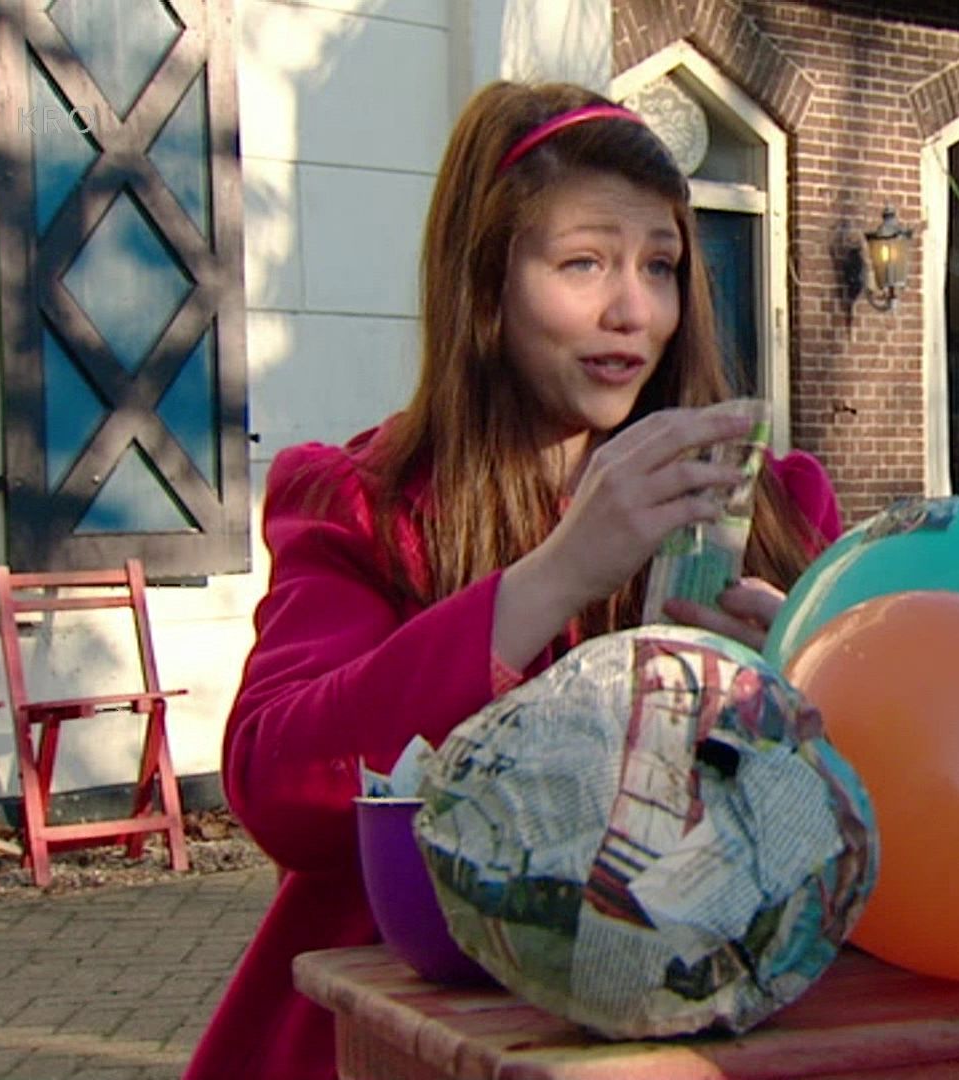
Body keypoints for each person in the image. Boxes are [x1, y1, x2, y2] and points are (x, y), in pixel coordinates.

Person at [186, 82, 842, 1080]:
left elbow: (879, 829)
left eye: (660, 266)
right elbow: (280, 788)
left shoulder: (778, 506)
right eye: (583, 263)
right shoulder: (362, 502)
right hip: (406, 1042)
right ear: (485, 284)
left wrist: (812, 679)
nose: (633, 310)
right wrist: (555, 577)